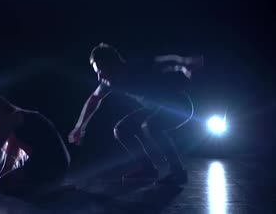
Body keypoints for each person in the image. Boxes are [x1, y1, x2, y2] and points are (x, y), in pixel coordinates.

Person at [68, 43, 203, 185]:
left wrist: (185, 62)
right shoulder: (107, 82)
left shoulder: (136, 67)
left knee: (151, 125)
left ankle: (178, 172)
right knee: (121, 129)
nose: (99, 76)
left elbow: (164, 62)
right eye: (97, 72)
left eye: (101, 70)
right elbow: (94, 100)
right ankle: (148, 169)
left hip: (179, 105)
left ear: (114, 64)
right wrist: (79, 127)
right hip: (154, 110)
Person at [0, 95, 71, 194]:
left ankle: (52, 189)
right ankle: (49, 187)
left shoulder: (14, 118)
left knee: (4, 183)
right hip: (54, 163)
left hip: (51, 163)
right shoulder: (15, 126)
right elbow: (8, 164)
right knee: (3, 182)